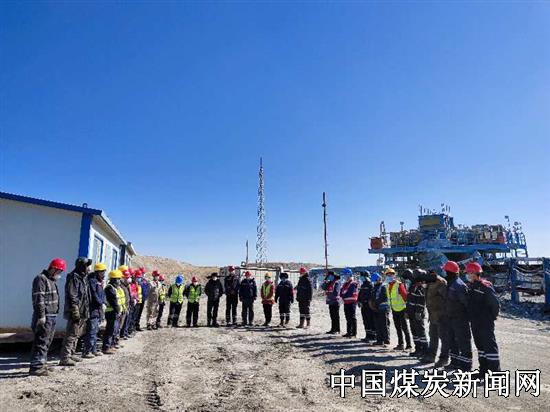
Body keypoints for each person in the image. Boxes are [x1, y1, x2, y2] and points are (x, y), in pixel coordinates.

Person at [29, 258, 66, 376]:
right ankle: (36, 367)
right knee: (41, 341)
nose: (60, 274)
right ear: (53, 269)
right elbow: (39, 299)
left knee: (47, 341)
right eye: (59, 272)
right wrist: (41, 316)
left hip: (52, 316)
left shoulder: (51, 280)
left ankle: (42, 363)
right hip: (45, 316)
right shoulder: (41, 279)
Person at [466, 261, 500, 379]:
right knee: (480, 347)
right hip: (475, 322)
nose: (468, 275)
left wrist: (491, 317)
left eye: (469, 273)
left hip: (485, 322)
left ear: (475, 273)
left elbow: (495, 304)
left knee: (489, 346)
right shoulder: (471, 286)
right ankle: (483, 371)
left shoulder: (485, 286)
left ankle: (495, 373)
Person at [59, 257, 91, 366]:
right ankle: (65, 357)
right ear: (82, 266)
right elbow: (73, 296)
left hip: (82, 310)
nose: (89, 268)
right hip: (75, 310)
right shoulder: (73, 277)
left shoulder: (83, 277)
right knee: (71, 334)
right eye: (87, 266)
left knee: (77, 334)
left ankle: (71, 353)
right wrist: (75, 311)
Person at [443, 260, 472, 371]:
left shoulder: (459, 285)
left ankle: (466, 366)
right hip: (450, 318)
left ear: (449, 272)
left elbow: (467, 303)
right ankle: (454, 362)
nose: (444, 273)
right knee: (452, 341)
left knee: (463, 342)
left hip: (460, 319)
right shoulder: (450, 283)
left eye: (446, 271)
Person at [423, 269, 449, 366]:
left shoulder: (441, 283)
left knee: (444, 338)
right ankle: (431, 356)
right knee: (433, 336)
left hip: (441, 315)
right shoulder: (430, 283)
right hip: (432, 315)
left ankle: (444, 358)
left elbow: (446, 298)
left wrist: (444, 313)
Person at [82, 263, 106, 358]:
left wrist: (103, 302)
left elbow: (102, 294)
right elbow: (94, 294)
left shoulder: (99, 281)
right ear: (98, 272)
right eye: (102, 272)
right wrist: (101, 303)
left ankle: (94, 350)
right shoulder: (92, 281)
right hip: (93, 309)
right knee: (91, 331)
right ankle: (87, 351)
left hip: (97, 309)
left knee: (95, 331)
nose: (104, 274)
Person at [386, 267, 412, 351]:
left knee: (404, 328)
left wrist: (407, 309)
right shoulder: (388, 286)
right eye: (388, 275)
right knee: (398, 328)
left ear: (394, 275)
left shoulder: (399, 284)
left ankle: (409, 345)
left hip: (402, 309)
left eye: (391, 275)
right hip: (394, 309)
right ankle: (400, 344)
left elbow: (405, 296)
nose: (389, 276)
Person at [405, 269, 428, 358]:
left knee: (420, 332)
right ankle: (418, 349)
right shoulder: (412, 286)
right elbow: (408, 300)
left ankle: (424, 350)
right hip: (411, 313)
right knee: (414, 332)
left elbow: (421, 301)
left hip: (417, 314)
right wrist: (406, 311)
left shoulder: (420, 287)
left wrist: (419, 312)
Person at [103, 270, 124, 354]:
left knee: (114, 330)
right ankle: (106, 347)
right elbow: (113, 301)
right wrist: (118, 310)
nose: (119, 281)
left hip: (114, 312)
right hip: (111, 312)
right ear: (114, 279)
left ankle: (111, 345)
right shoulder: (109, 288)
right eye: (118, 279)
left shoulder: (115, 288)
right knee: (110, 330)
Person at [370, 272, 390, 346]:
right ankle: (379, 340)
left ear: (378, 279)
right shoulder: (375, 287)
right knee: (377, 325)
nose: (374, 282)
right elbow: (373, 296)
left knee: (384, 325)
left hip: (383, 308)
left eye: (375, 280)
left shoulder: (383, 286)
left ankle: (386, 340)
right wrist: (372, 303)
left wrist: (376, 303)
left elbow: (384, 297)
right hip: (376, 309)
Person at [358, 271, 376, 343]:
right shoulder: (363, 285)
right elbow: (360, 294)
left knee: (370, 320)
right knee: (365, 321)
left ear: (366, 276)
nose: (361, 278)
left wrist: (369, 302)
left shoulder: (370, 284)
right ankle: (367, 335)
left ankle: (373, 336)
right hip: (363, 305)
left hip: (369, 305)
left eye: (362, 276)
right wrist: (359, 301)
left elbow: (371, 295)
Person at [340, 268, 359, 338]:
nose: (344, 277)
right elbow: (341, 292)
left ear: (349, 275)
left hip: (352, 302)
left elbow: (349, 292)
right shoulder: (345, 284)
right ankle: (349, 332)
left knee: (352, 317)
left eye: (345, 275)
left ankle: (354, 333)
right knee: (348, 317)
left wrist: (343, 295)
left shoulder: (353, 283)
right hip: (346, 302)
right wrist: (342, 295)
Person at [119, 269, 131, 339]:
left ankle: (122, 334)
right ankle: (118, 336)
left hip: (126, 306)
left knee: (124, 322)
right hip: (122, 307)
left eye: (128, 278)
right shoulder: (121, 286)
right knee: (120, 323)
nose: (128, 279)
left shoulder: (126, 286)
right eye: (126, 278)